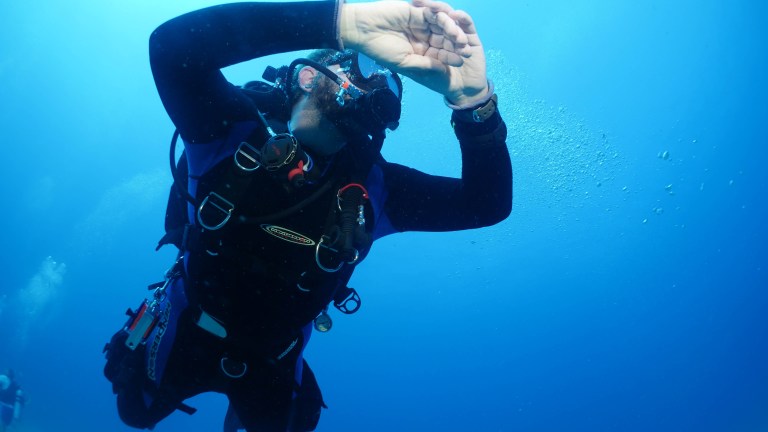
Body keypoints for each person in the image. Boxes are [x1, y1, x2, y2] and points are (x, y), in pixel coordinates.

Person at [102, 0, 512, 431]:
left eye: (389, 89)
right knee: (135, 412)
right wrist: (342, 23)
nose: (378, 86)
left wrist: (474, 104)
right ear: (308, 74)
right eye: (363, 68)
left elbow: (486, 204)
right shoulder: (226, 129)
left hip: (273, 356)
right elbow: (170, 49)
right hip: (187, 324)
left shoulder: (378, 189)